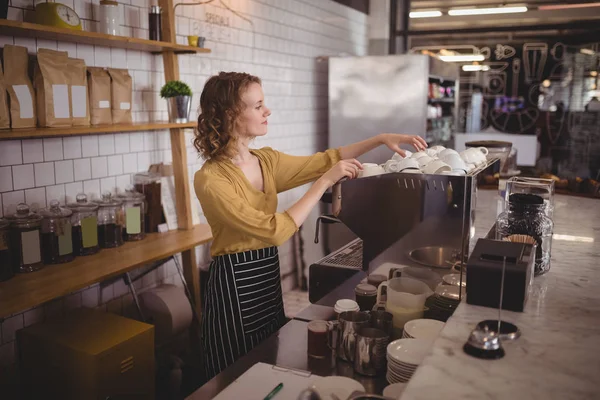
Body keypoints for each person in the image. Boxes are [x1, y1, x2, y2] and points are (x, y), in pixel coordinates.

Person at [193, 71, 427, 380]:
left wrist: (379, 139)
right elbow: (273, 230)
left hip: (265, 279)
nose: (268, 111)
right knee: (233, 379)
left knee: (265, 367)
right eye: (258, 105)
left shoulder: (266, 160)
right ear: (230, 114)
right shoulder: (211, 179)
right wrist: (323, 184)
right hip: (234, 288)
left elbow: (325, 160)